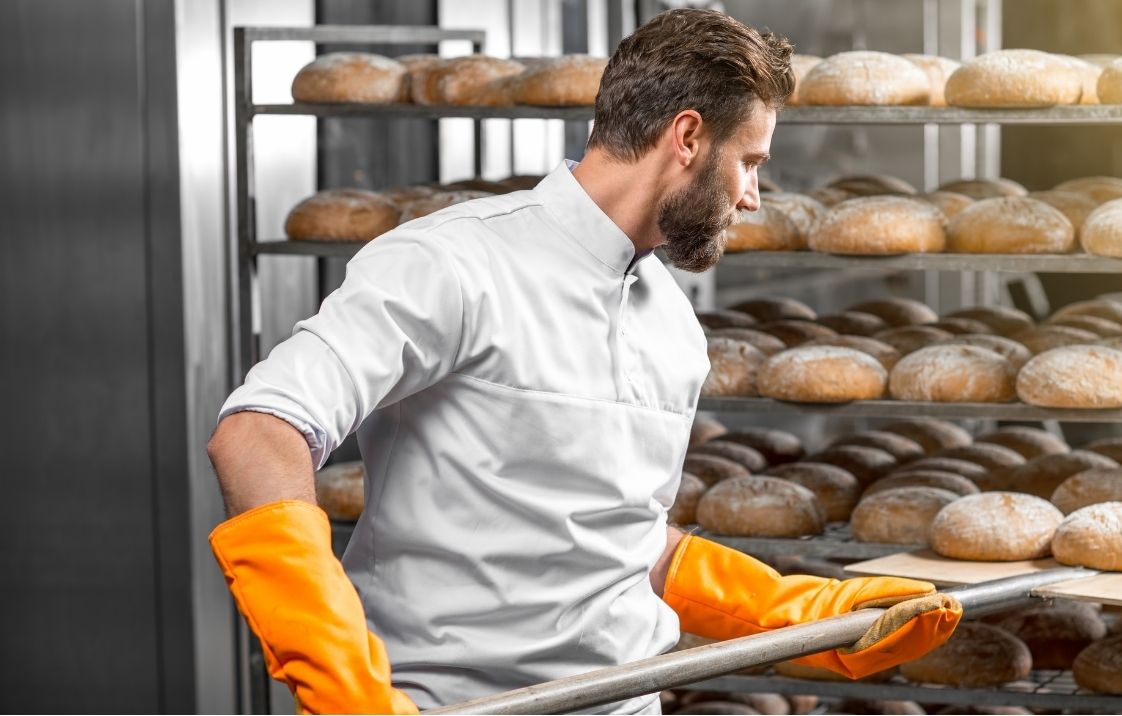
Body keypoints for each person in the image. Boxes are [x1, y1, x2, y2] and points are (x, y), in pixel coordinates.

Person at [206, 8, 960, 715]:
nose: (754, 198)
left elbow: (622, 538)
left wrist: (790, 608)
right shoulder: (453, 263)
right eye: (751, 162)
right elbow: (259, 429)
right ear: (688, 137)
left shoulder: (670, 322)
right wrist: (338, 673)